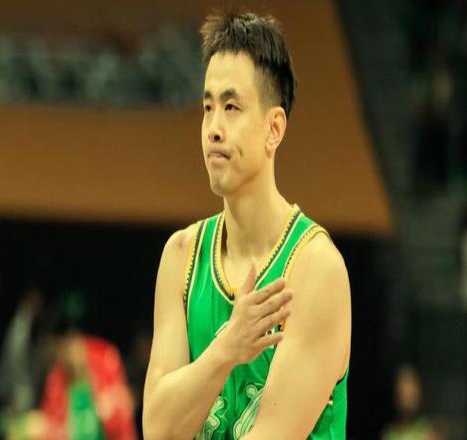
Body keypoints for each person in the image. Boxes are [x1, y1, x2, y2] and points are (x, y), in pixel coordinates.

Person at [143, 11, 351, 440]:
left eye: (231, 107)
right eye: (207, 108)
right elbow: (158, 429)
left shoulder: (315, 270)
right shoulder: (181, 257)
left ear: (274, 129)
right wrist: (226, 349)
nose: (213, 129)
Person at [41, 293, 137, 440]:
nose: (64, 358)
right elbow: (51, 423)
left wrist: (108, 408)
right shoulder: (56, 376)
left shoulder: (106, 357)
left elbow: (124, 405)